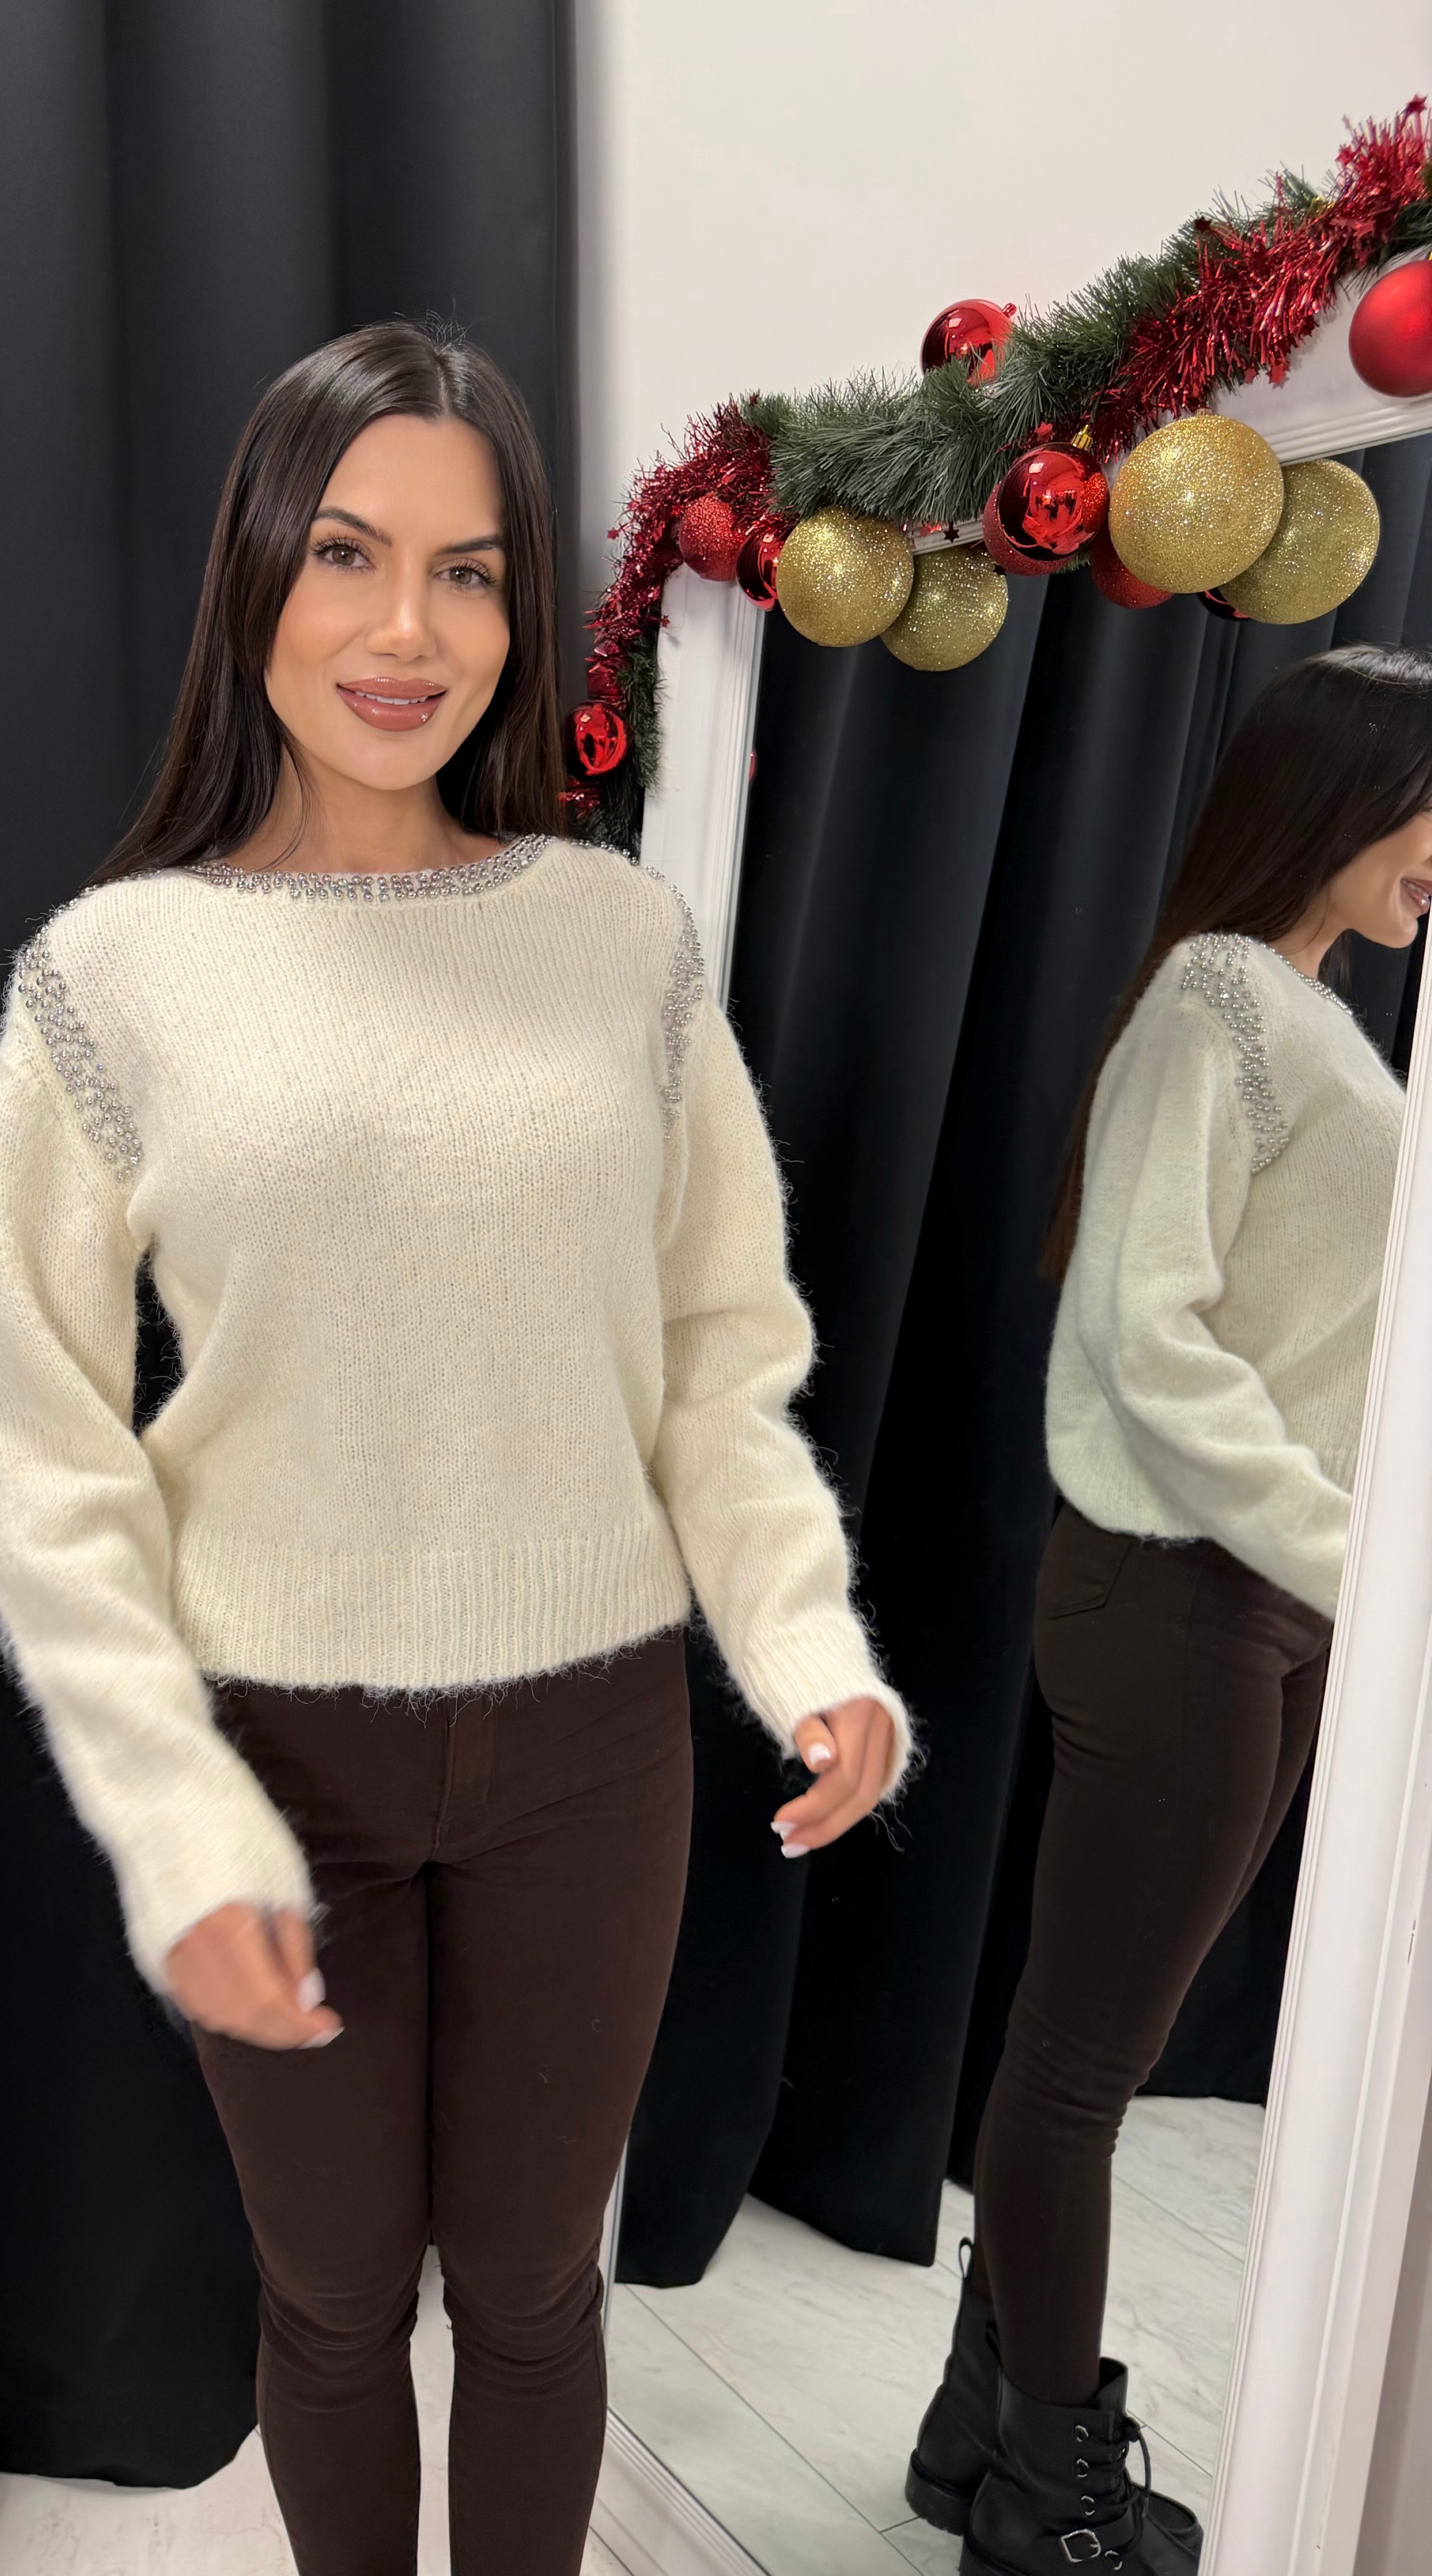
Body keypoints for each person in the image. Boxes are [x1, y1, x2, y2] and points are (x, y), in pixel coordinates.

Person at [0, 317, 912, 2576]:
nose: (409, 631)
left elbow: (716, 1351)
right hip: (277, 1750)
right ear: (256, 572)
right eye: (349, 553)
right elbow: (34, 1435)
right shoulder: (113, 974)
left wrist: (805, 1642)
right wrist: (173, 1815)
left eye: (469, 572)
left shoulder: (617, 942)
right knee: (334, 2298)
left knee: (542, 2291)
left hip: (593, 1748)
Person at [907, 645, 1430, 2575]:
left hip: (1248, 1599)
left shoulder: (1306, 1004)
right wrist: (1343, 1549)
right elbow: (1145, 1327)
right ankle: (1051, 2492)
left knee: (1082, 2049)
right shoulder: (1223, 1000)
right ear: (1344, 788)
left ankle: (977, 2437)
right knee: (1079, 2068)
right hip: (1190, 1593)